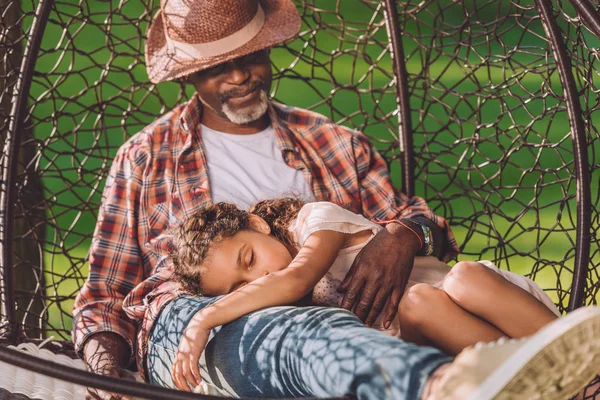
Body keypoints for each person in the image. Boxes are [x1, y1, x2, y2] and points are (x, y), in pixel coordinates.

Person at [71, 0, 600, 399]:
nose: (238, 75)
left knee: (360, 317)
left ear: (267, 48)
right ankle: (441, 384)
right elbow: (102, 295)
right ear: (189, 75)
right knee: (298, 329)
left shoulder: (332, 143)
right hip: (197, 330)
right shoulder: (146, 158)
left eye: (248, 56)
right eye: (216, 67)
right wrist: (108, 373)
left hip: (361, 325)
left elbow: (415, 220)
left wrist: (401, 234)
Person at [166, 198, 564, 391]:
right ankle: (537, 382)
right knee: (417, 304)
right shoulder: (283, 308)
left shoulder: (316, 221)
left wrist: (205, 319)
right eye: (238, 288)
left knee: (460, 278)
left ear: (258, 224)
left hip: (494, 309)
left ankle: (574, 350)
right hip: (440, 349)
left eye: (249, 258)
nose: (257, 279)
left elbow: (298, 276)